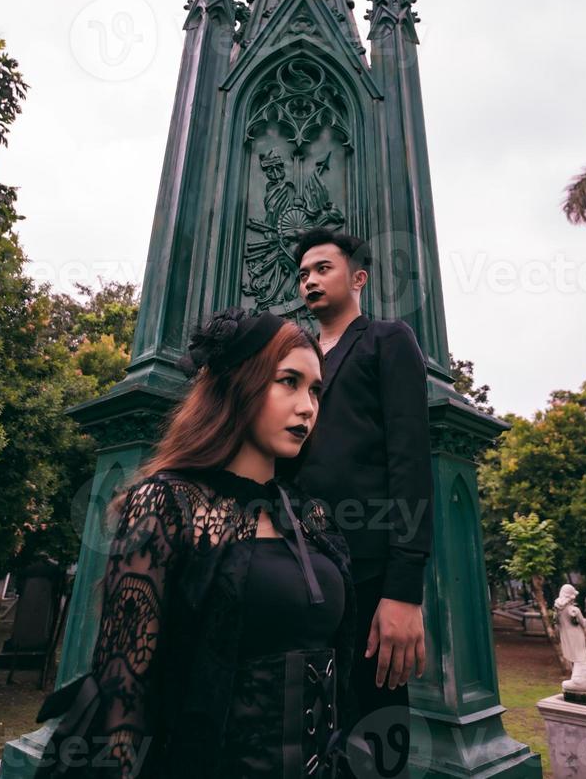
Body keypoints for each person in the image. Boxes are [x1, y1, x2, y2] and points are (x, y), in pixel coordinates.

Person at [35, 308, 359, 778]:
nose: (308, 406)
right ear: (239, 383)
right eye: (288, 381)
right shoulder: (166, 503)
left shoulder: (311, 517)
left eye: (315, 390)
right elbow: (123, 689)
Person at [279, 227, 432, 774]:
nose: (310, 281)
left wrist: (403, 591)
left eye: (323, 268)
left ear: (358, 278)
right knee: (310, 721)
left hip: (370, 574)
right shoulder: (295, 356)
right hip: (301, 565)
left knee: (377, 722)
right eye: (302, 274)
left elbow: (411, 461)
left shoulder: (388, 340)